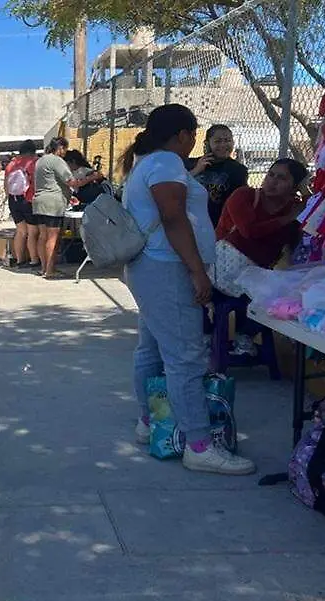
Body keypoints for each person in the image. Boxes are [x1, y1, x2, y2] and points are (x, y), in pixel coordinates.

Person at [123, 104, 254, 476]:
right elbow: (173, 217)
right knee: (185, 357)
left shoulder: (147, 162)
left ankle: (149, 422)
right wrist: (198, 271)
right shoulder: (165, 163)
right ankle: (199, 444)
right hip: (167, 268)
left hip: (151, 267)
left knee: (151, 349)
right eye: (193, 134)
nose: (194, 141)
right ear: (182, 134)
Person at [212, 158, 309, 355]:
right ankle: (208, 340)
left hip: (256, 276)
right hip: (219, 274)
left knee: (276, 298)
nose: (272, 181)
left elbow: (298, 241)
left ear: (295, 186)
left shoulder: (296, 208)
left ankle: (245, 337)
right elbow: (250, 231)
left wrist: (306, 195)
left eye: (281, 178)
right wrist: (287, 219)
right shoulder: (244, 196)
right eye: (271, 174)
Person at [32, 138, 100, 278]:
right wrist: (92, 177)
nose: (65, 153)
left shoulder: (41, 160)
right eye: (65, 149)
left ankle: (44, 268)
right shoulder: (57, 161)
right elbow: (72, 182)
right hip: (53, 203)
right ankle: (50, 271)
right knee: (53, 237)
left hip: (39, 201)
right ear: (61, 148)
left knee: (42, 236)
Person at [187, 124, 249, 227]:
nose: (223, 145)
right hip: (190, 223)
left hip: (218, 225)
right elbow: (177, 186)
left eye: (227, 140)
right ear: (207, 144)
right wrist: (195, 171)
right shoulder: (191, 164)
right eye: (218, 141)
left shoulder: (238, 170)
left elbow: (239, 202)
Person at [4, 140, 41, 268]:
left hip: (13, 200)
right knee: (33, 231)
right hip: (28, 199)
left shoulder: (11, 164)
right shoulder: (34, 162)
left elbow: (6, 186)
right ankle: (34, 259)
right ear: (33, 151)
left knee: (20, 231)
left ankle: (19, 260)